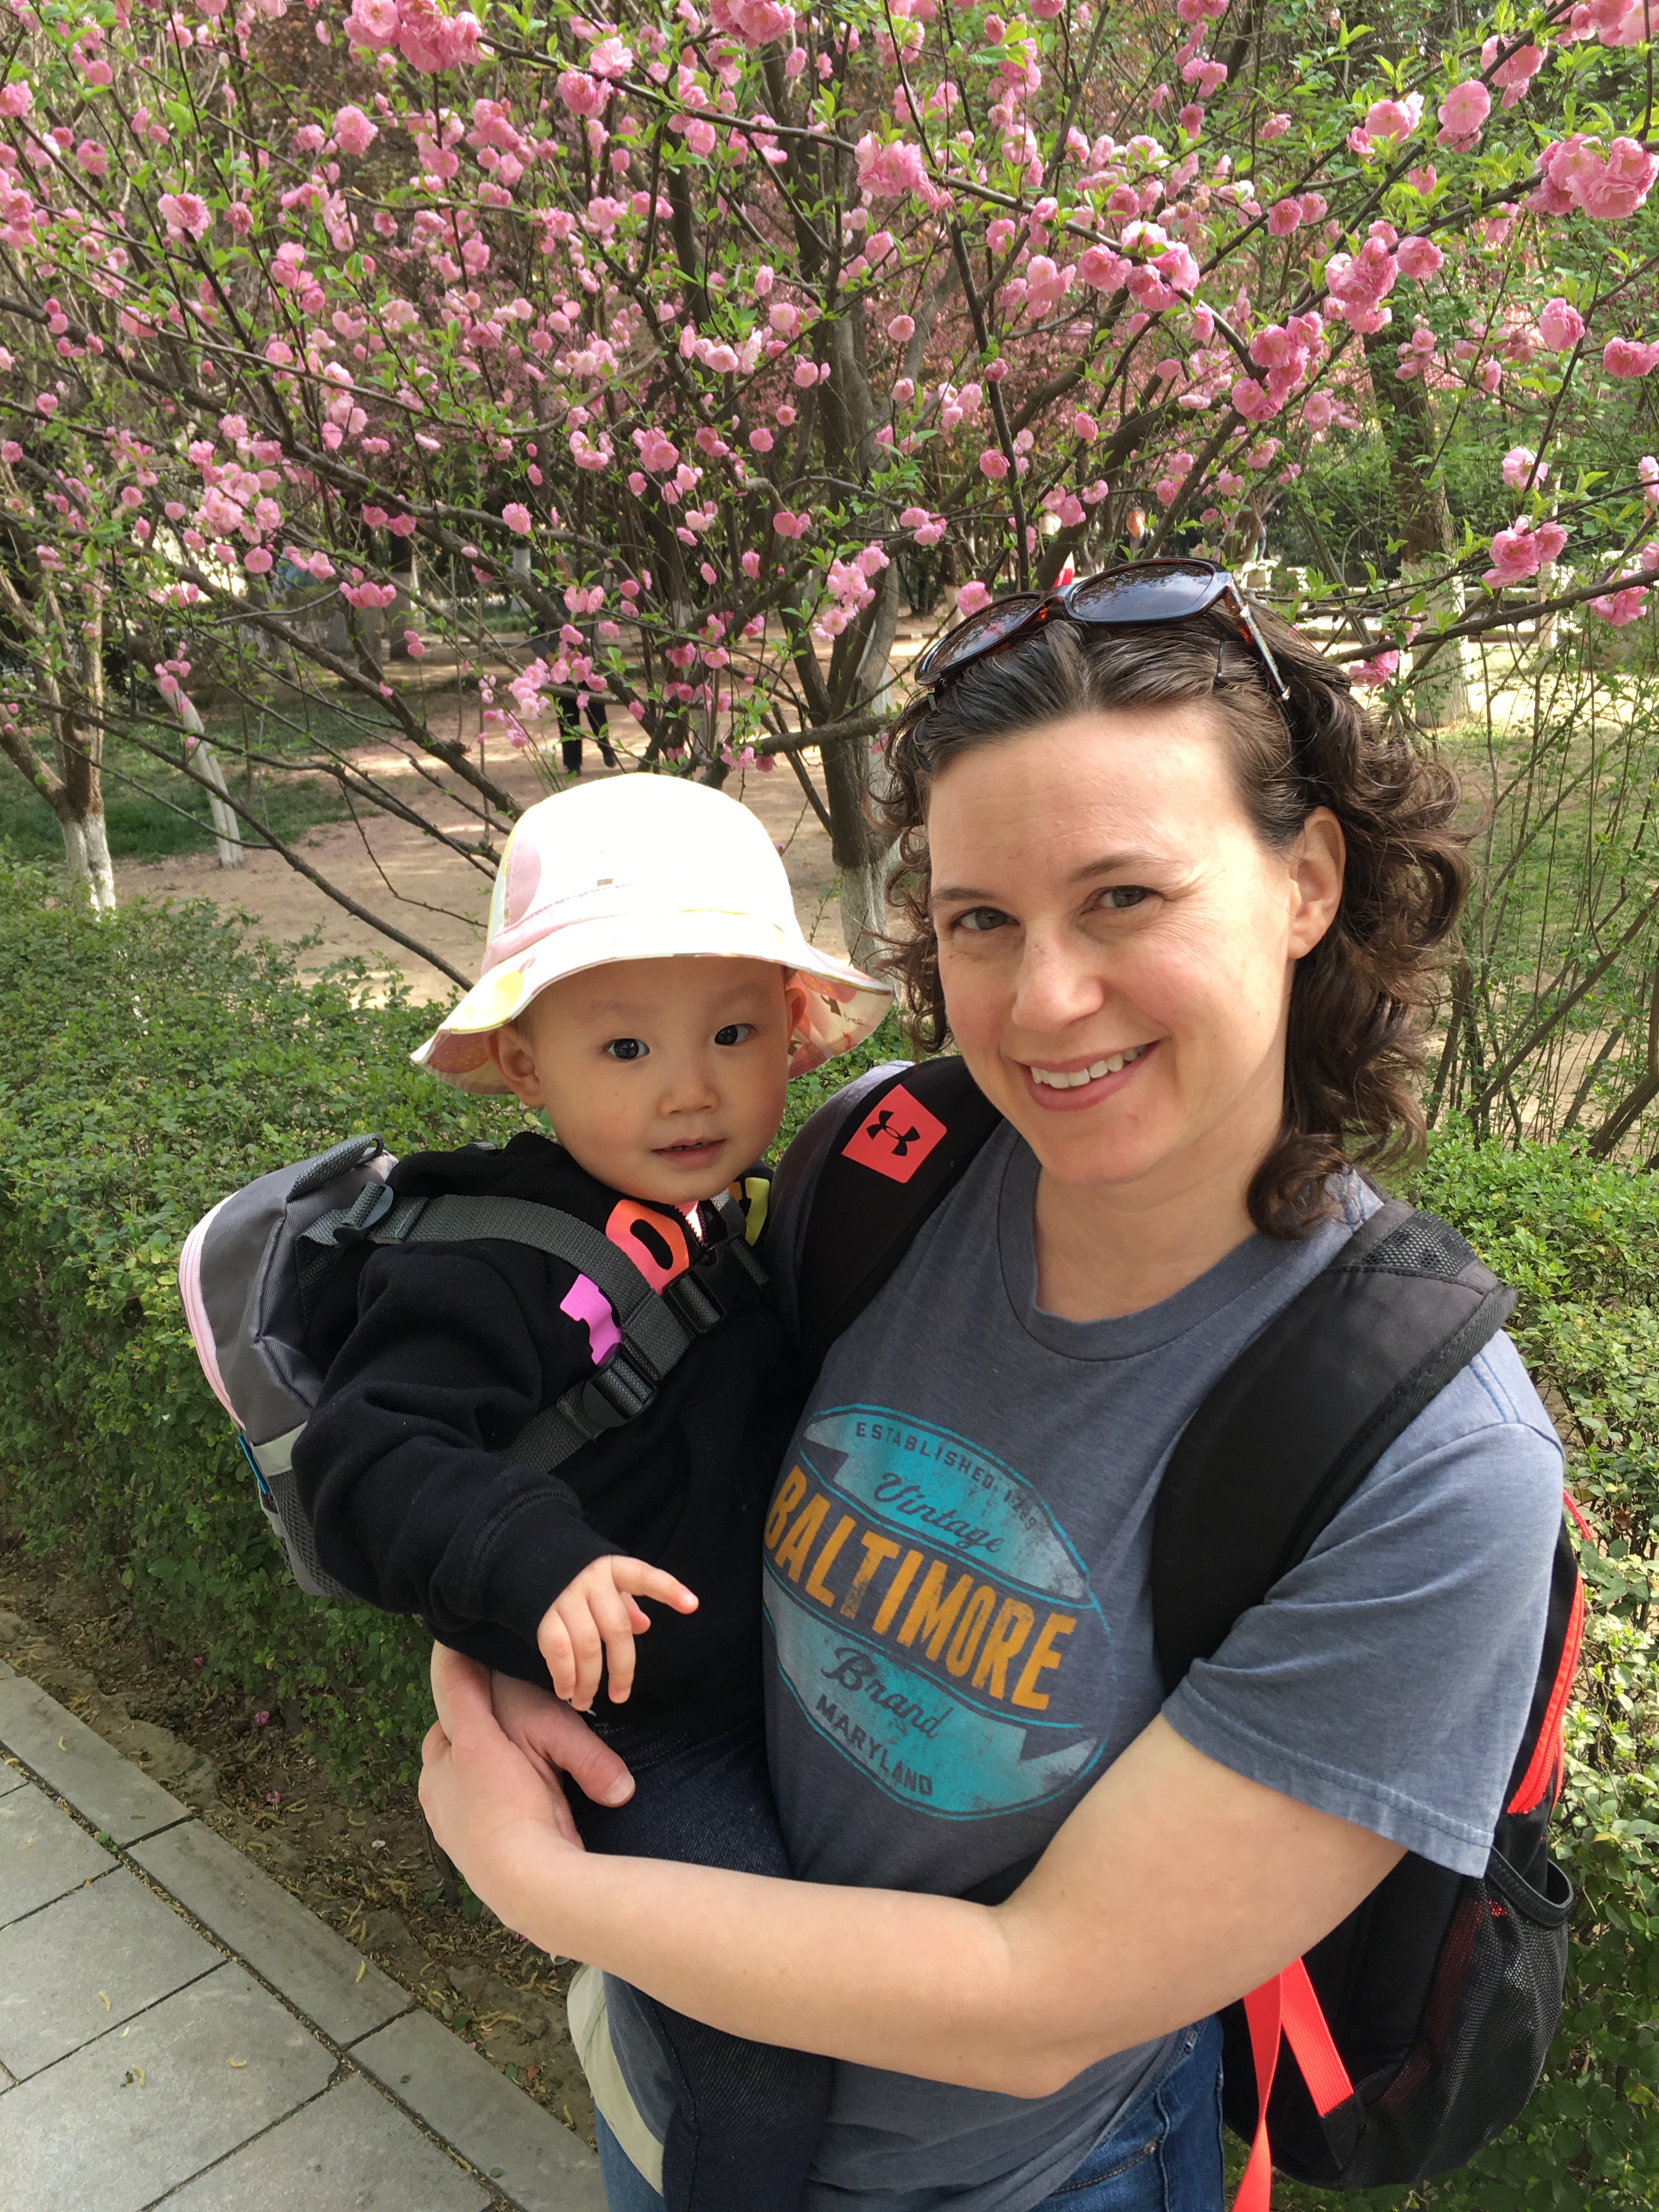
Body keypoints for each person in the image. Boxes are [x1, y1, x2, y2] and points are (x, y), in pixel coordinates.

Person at [418, 564, 1566, 2212]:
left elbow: (1048, 1998)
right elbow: (637, 1462)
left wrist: (539, 1885)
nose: (1043, 1003)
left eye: (1124, 898)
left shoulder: (1425, 1464)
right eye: (981, 921)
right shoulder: (881, 1171)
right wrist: (501, 1627)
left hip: (1037, 2176)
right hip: (673, 2077)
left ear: (1306, 880)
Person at [292, 773, 890, 2212]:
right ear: (524, 1064)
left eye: (732, 1034)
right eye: (624, 1046)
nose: (689, 1089)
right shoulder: (492, 1260)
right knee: (765, 2039)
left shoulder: (717, 1212)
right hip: (647, 1726)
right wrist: (533, 1558)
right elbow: (362, 1461)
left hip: (758, 1674)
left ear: (791, 1033)